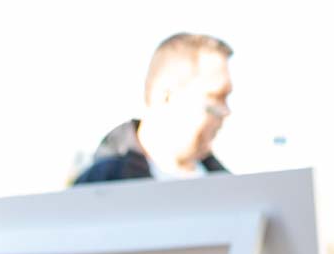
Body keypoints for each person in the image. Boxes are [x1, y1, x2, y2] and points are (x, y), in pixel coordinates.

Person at [73, 33, 233, 185]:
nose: (226, 111)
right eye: (216, 97)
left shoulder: (233, 192)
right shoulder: (98, 186)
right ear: (166, 96)